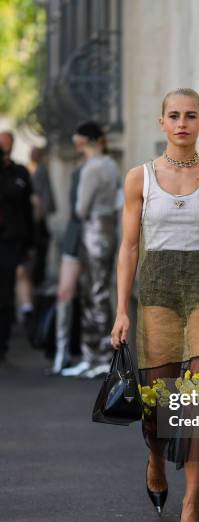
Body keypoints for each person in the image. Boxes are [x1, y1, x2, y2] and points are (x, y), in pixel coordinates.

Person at [111, 88, 199, 522]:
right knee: (157, 404)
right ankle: (154, 459)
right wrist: (120, 312)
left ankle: (191, 506)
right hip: (157, 294)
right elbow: (128, 248)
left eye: (191, 116)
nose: (183, 122)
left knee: (197, 400)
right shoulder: (139, 178)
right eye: (174, 115)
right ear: (161, 123)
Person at [62, 122, 121, 379]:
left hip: (92, 230)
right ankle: (102, 354)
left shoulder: (91, 168)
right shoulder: (110, 164)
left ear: (84, 140)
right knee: (101, 291)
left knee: (92, 293)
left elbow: (80, 209)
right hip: (109, 228)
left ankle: (95, 356)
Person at [45, 158, 84, 375]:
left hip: (93, 239)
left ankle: (94, 355)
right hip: (76, 236)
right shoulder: (79, 170)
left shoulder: (99, 168)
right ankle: (62, 353)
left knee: (93, 299)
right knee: (64, 294)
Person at [0, 131, 34, 365]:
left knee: (5, 294)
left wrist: (29, 243)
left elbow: (25, 206)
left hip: (10, 241)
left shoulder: (18, 173)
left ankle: (2, 345)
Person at [27, 146, 56, 287]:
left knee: (40, 245)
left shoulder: (41, 170)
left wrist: (42, 210)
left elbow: (45, 192)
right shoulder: (31, 169)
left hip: (39, 215)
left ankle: (38, 278)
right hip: (34, 216)